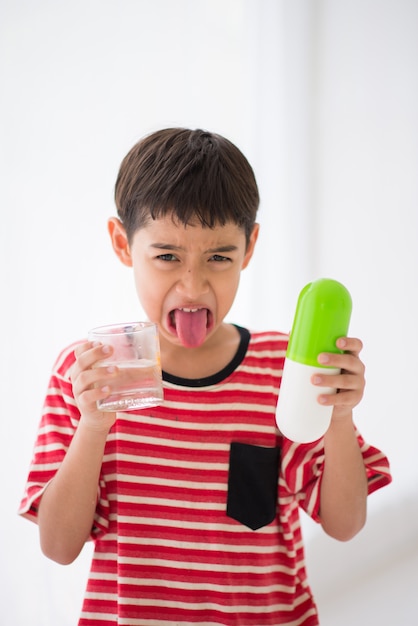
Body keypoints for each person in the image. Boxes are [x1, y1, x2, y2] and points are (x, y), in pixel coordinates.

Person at [19, 127, 391, 625]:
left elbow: (345, 523)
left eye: (218, 258)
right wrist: (92, 426)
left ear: (249, 247)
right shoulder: (88, 375)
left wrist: (340, 415)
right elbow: (58, 547)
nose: (193, 286)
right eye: (167, 256)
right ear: (122, 243)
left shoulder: (285, 369)